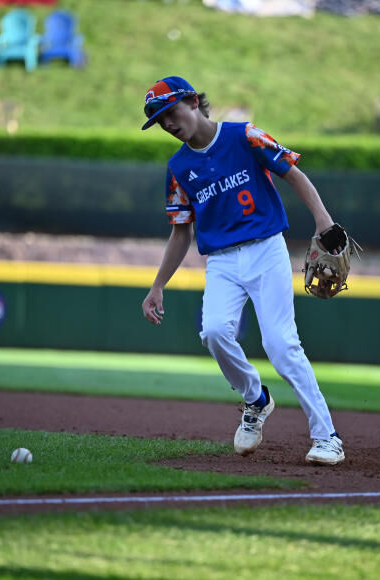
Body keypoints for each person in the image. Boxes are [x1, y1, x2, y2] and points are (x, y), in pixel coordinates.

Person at [139, 76, 345, 465]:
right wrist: (157, 286)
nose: (167, 124)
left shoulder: (245, 136)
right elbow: (181, 232)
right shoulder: (179, 167)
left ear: (193, 101)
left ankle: (327, 437)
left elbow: (293, 174)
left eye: (170, 112)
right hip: (221, 261)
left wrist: (324, 223)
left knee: (282, 347)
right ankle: (256, 398)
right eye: (159, 121)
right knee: (215, 332)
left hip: (266, 248)